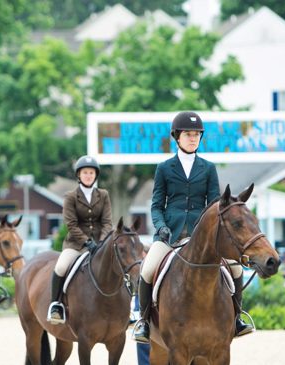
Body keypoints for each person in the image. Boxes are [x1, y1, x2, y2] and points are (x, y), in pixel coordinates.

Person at [132, 111, 251, 344]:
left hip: (202, 237)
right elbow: (156, 205)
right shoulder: (165, 168)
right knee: (147, 270)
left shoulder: (207, 168)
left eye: (197, 135)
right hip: (170, 234)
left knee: (236, 269)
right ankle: (144, 322)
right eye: (188, 134)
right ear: (177, 137)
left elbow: (215, 204)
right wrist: (161, 226)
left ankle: (237, 318)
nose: (193, 138)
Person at [47, 155, 112, 324]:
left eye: (91, 172)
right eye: (85, 172)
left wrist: (102, 242)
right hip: (76, 245)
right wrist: (86, 242)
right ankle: (56, 305)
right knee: (61, 267)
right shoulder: (70, 196)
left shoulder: (103, 195)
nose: (88, 175)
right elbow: (71, 224)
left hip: (99, 244)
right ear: (79, 175)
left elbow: (106, 222)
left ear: (95, 175)